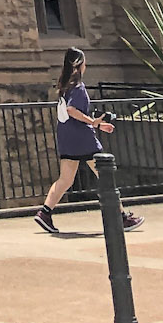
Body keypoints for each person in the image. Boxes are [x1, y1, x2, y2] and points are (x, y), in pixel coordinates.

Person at [35, 48, 141, 234]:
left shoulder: (65, 85)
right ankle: (122, 217)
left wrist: (97, 124)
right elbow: (72, 110)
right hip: (82, 138)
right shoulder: (78, 87)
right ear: (79, 64)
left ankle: (45, 213)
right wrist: (93, 122)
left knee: (65, 179)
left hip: (67, 136)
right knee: (105, 174)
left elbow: (73, 112)